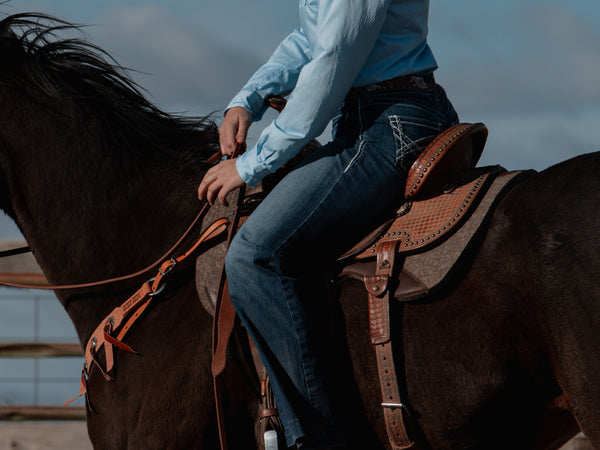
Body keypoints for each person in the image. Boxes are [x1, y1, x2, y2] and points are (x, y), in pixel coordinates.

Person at [198, 0, 458, 448]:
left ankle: (319, 439)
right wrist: (251, 96)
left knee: (254, 255)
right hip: (376, 115)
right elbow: (312, 37)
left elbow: (332, 63)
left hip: (385, 124)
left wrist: (251, 165)